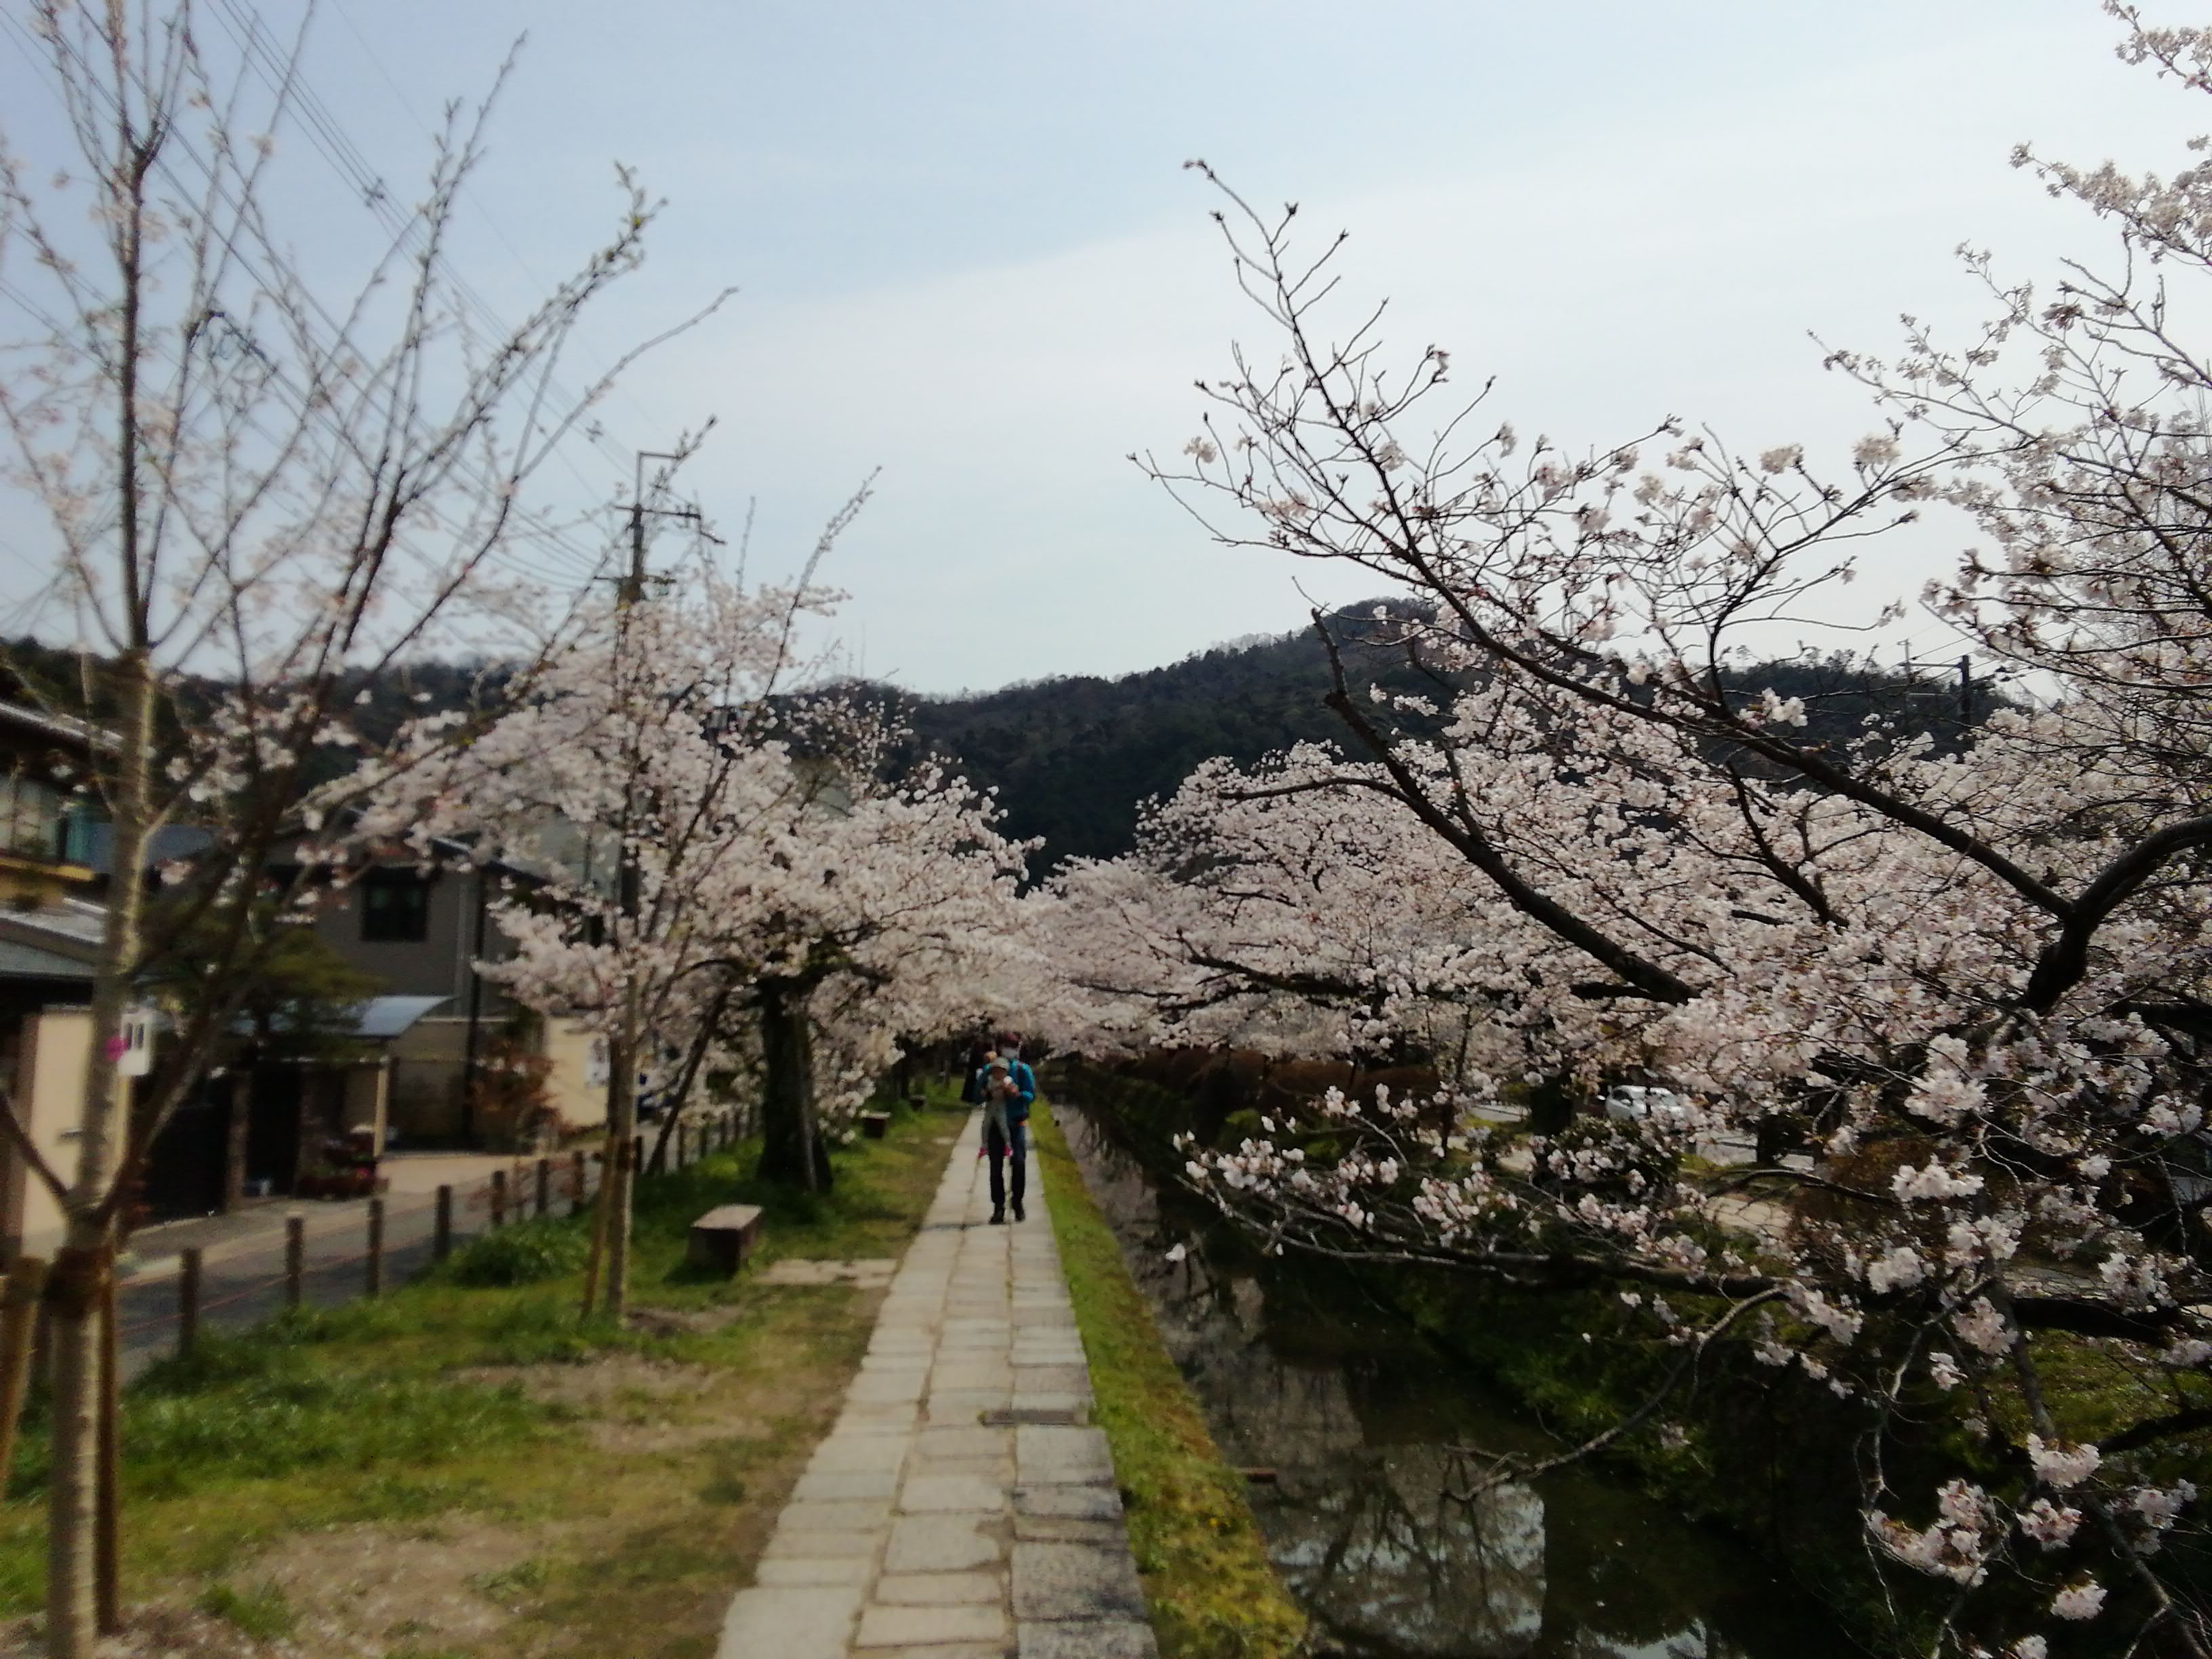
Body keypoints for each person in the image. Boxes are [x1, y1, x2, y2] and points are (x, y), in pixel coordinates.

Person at [978, 1054, 1036, 1223]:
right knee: (995, 1167)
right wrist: (988, 1093)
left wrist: (1016, 1094)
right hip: (996, 1126)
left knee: (1018, 1163)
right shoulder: (989, 1071)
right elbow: (976, 1094)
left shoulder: (1022, 1070)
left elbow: (1031, 1095)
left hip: (1016, 1125)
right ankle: (998, 1207)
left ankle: (1017, 1203)